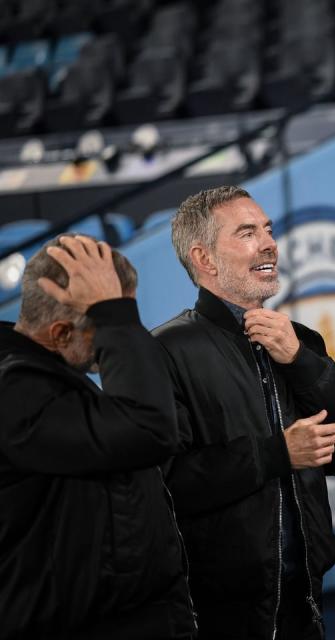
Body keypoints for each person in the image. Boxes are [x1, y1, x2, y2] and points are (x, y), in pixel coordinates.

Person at [153, 186, 335, 640]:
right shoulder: (165, 350)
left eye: (268, 229)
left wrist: (302, 360)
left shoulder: (299, 342)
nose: (268, 243)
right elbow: (166, 484)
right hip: (215, 617)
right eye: (247, 232)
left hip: (307, 603)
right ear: (205, 259)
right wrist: (277, 453)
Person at [0, 234, 196, 639]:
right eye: (106, 327)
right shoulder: (14, 392)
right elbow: (149, 431)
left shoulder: (39, 373)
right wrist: (115, 315)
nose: (117, 337)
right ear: (60, 334)